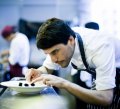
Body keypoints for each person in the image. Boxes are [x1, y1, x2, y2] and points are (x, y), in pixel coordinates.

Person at [25, 18, 120, 109]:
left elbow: (106, 98)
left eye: (55, 52)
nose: (53, 60)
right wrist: (38, 71)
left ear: (71, 41)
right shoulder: (62, 39)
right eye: (48, 54)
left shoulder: (100, 47)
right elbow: (47, 68)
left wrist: (64, 84)